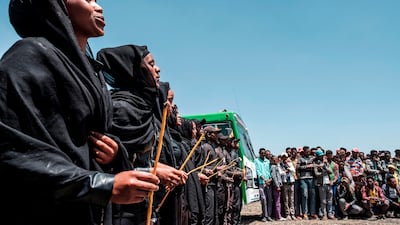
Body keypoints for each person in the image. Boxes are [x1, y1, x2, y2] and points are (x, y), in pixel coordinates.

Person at [0, 1, 160, 225]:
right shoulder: (28, 56)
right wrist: (101, 185)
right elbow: (14, 150)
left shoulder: (90, 73)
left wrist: (114, 153)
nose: (99, 7)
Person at [255, 148, 273, 222]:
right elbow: (258, 171)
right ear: (259, 153)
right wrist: (265, 180)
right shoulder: (256, 161)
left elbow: (270, 172)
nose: (263, 154)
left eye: (264, 153)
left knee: (269, 200)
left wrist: (269, 180)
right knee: (263, 199)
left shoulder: (268, 161)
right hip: (262, 183)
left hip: (268, 183)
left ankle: (269, 215)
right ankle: (264, 215)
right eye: (262, 153)